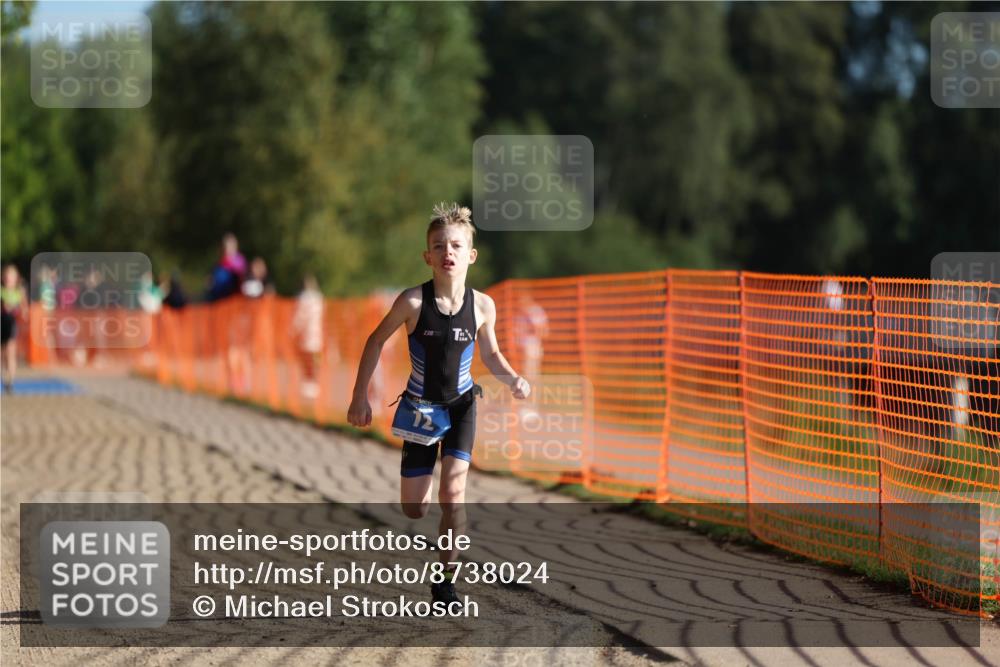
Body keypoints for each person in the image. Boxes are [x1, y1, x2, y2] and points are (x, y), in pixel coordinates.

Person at [347, 202, 530, 606]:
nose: (448, 252)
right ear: (427, 256)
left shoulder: (483, 306)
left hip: (463, 405)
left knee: (454, 493)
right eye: (439, 246)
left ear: (471, 255)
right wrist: (360, 396)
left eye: (456, 245)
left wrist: (513, 377)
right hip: (420, 411)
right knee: (414, 509)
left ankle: (446, 581)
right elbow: (375, 341)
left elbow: (492, 354)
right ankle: (429, 505)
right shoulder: (412, 303)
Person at [291, 274, 324, 399]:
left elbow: (300, 317)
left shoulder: (303, 298)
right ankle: (313, 383)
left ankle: (309, 384)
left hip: (306, 335)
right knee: (314, 359)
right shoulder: (319, 298)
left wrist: (293, 330)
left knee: (307, 359)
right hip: (316, 334)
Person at [1, 265, 27, 392]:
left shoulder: (19, 293)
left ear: (16, 278)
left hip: (12, 324)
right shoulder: (1, 291)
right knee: (2, 354)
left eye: (12, 275)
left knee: (11, 352)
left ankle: (10, 381)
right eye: (7, 275)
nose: (9, 278)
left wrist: (17, 310)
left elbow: (24, 310)